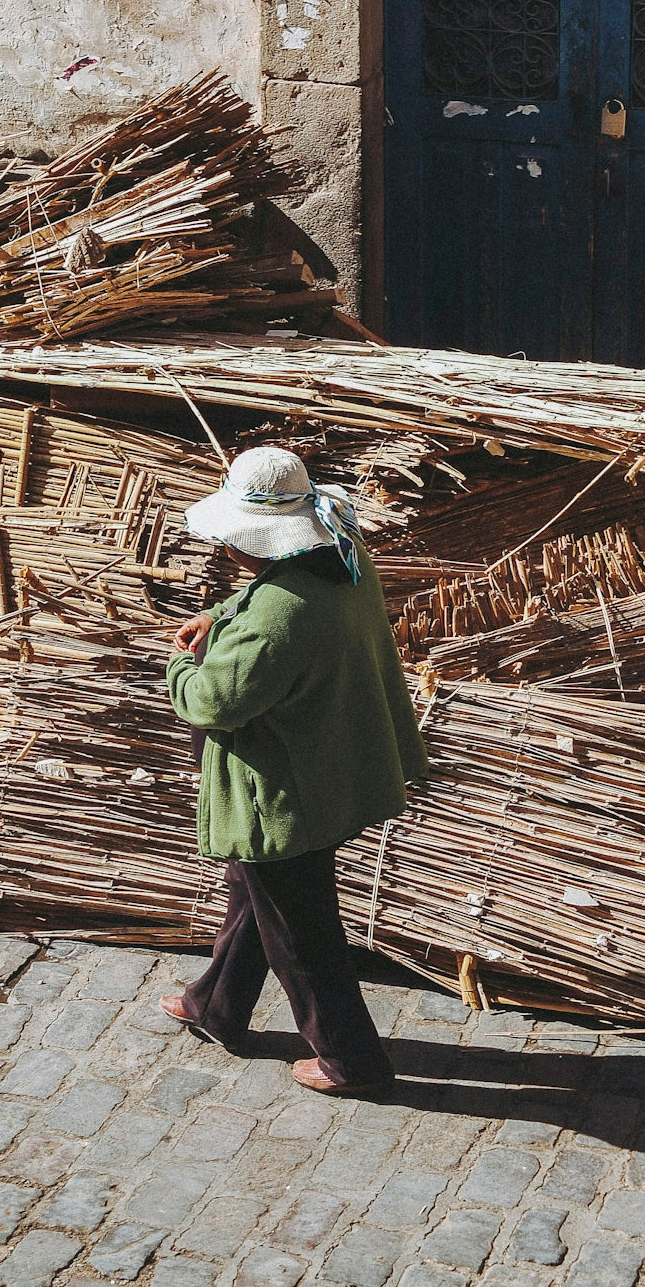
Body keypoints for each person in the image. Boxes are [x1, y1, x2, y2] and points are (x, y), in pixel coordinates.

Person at [161, 445, 427, 1098]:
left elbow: (213, 702)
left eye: (234, 543)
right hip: (335, 767)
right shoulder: (341, 557)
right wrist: (219, 615)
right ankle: (215, 1005)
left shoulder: (280, 622)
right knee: (256, 891)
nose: (229, 553)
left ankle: (350, 1059)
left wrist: (176, 669)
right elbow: (263, 599)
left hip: (284, 796)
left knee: (301, 933)